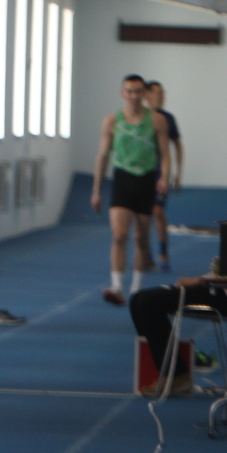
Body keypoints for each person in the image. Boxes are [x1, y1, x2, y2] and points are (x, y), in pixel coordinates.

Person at [128, 160, 227, 396]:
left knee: (148, 302)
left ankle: (178, 374)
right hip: (219, 288)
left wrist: (199, 281)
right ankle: (173, 369)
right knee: (138, 300)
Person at [91, 74, 171, 305]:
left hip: (146, 180)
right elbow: (103, 155)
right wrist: (96, 190)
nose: (134, 96)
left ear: (144, 94)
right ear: (122, 94)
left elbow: (165, 154)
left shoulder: (157, 121)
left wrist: (164, 177)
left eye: (138, 91)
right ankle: (117, 286)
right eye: (129, 91)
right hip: (122, 180)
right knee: (119, 235)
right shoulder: (111, 121)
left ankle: (136, 287)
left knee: (141, 237)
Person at [145, 81, 183, 271]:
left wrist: (178, 173)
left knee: (158, 212)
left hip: (162, 173)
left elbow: (177, 145)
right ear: (147, 95)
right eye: (157, 93)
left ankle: (163, 251)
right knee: (143, 216)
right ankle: (146, 256)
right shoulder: (141, 118)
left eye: (163, 93)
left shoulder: (168, 118)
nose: (160, 97)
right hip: (143, 174)